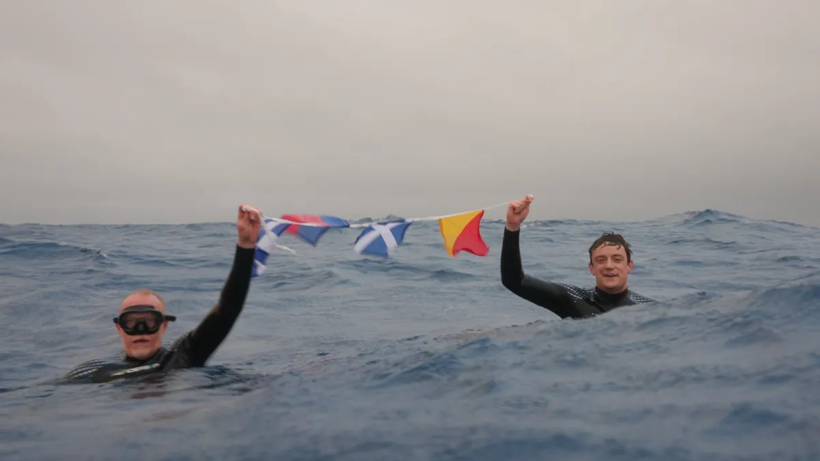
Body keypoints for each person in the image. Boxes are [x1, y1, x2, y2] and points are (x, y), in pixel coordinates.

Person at [61, 204, 263, 383]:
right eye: (131, 322)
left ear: (164, 325)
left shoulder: (183, 356)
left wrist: (245, 246)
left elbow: (227, 309)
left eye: (150, 321)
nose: (141, 330)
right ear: (119, 328)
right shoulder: (96, 373)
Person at [500, 195, 654, 319]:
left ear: (629, 266)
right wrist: (512, 227)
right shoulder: (573, 298)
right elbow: (514, 281)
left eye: (617, 259)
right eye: (601, 260)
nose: (609, 265)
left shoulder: (649, 309)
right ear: (592, 268)